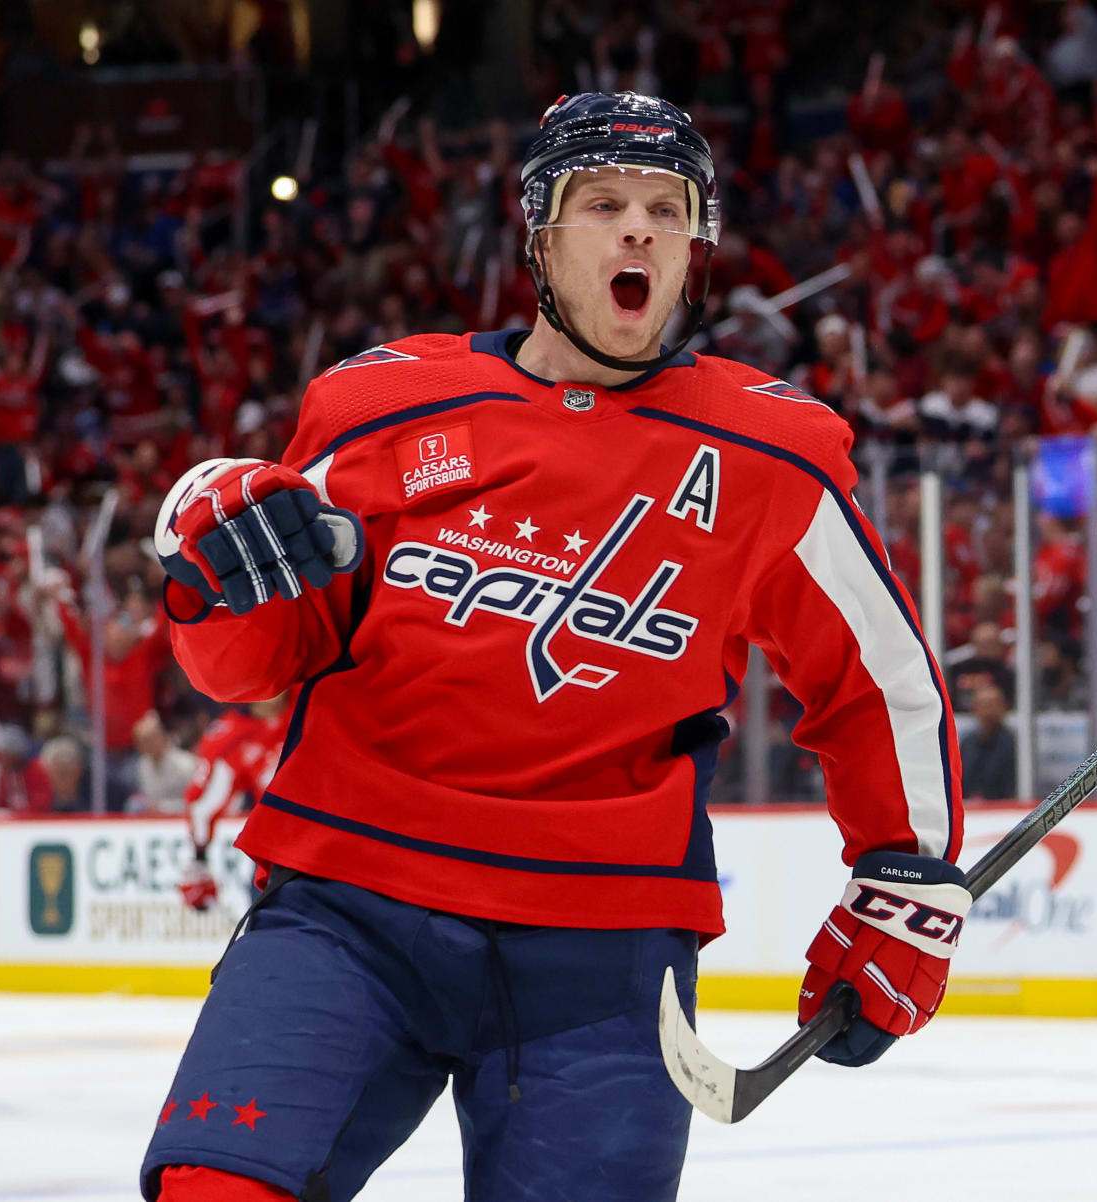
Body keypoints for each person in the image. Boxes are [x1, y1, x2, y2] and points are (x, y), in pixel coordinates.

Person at [143, 92, 963, 1202]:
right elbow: (248, 664)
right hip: (349, 905)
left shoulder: (772, 456)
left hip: (607, 946)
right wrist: (212, 579)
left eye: (667, 210)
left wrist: (902, 876)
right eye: (604, 203)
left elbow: (881, 683)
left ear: (693, 250)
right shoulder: (379, 407)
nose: (638, 229)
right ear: (540, 235)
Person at [176, 694, 293, 911]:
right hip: (278, 854)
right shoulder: (232, 736)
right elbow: (203, 805)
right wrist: (199, 858)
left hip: (341, 836)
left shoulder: (314, 701)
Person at [131, 710, 199, 814]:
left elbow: (196, 802)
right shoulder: (143, 765)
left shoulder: (186, 764)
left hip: (180, 820)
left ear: (162, 737)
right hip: (154, 822)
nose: (147, 745)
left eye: (150, 739)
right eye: (142, 741)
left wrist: (162, 807)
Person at [959, 684, 1018, 801]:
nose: (988, 711)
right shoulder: (966, 744)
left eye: (992, 704)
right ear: (973, 709)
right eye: (983, 705)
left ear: (1004, 707)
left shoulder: (1014, 745)